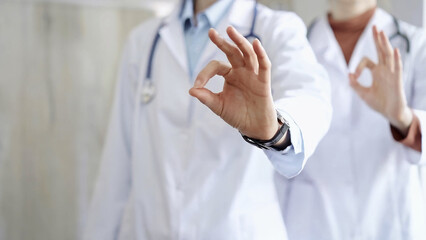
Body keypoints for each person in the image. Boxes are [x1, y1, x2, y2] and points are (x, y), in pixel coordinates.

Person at [84, 0, 332, 239]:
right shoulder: (143, 42)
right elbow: (116, 166)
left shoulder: (277, 29)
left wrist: (273, 131)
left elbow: (311, 98)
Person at [277, 0, 426, 239]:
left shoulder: (416, 44)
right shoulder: (295, 50)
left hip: (392, 220)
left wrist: (402, 118)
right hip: (313, 224)